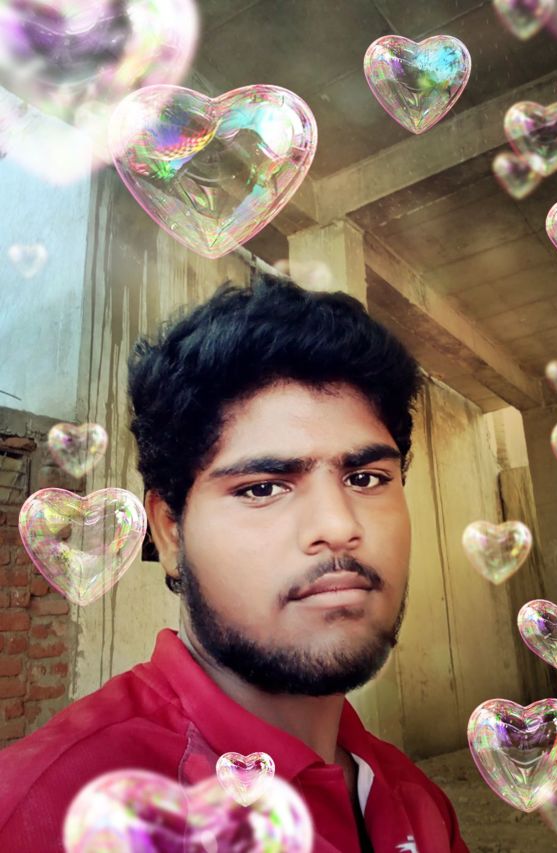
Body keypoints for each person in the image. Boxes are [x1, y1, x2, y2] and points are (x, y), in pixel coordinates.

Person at [0, 273, 469, 852]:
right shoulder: (45, 812)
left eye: (366, 478)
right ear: (170, 532)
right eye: (262, 488)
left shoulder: (419, 803)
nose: (338, 525)